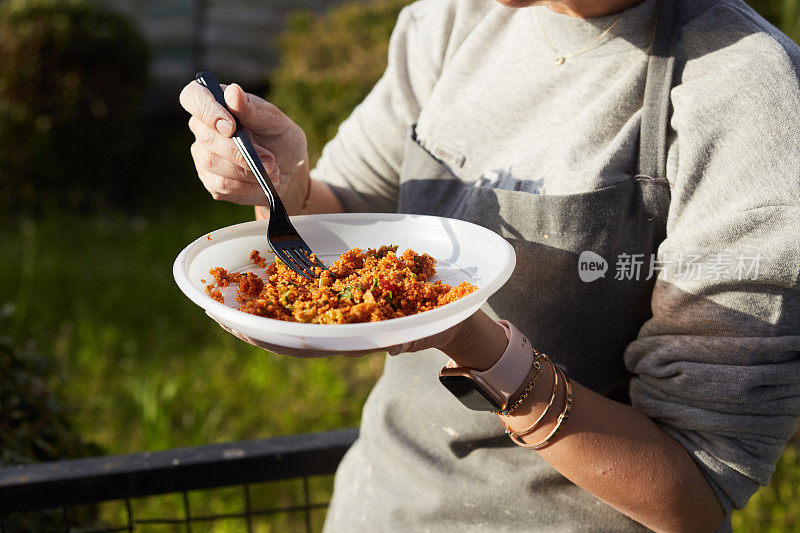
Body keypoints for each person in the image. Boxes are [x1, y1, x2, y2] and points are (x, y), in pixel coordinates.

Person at [179, 0, 800, 530]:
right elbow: (340, 214)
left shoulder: (745, 88)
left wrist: (474, 343)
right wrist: (280, 182)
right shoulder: (452, 19)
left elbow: (692, 490)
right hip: (378, 504)